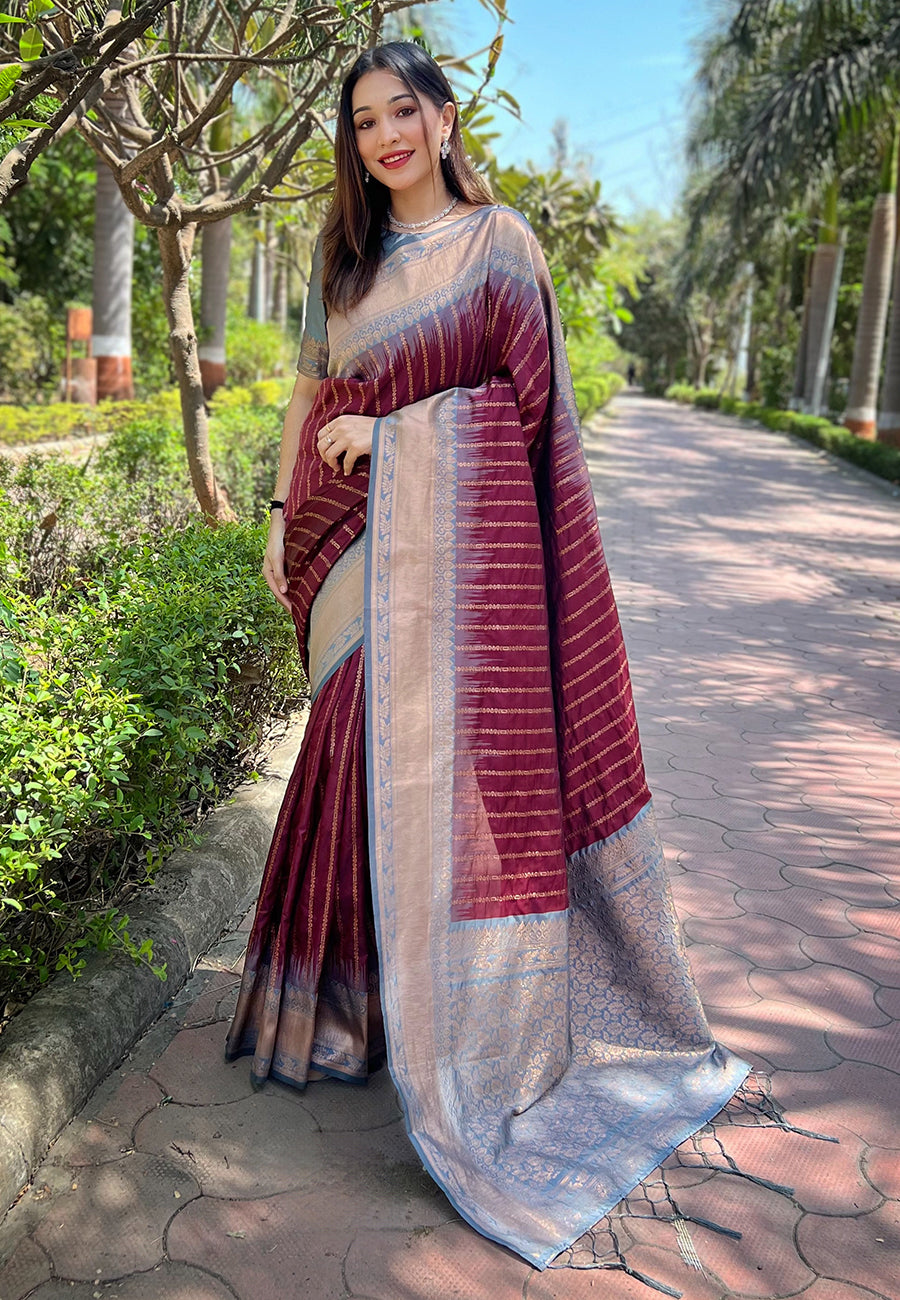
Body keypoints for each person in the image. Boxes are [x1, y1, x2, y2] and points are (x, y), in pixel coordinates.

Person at [225, 41, 749, 1271]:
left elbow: (526, 415)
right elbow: (310, 390)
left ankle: (438, 1032)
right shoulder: (344, 263)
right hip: (346, 542)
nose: (385, 137)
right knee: (348, 750)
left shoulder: (502, 246)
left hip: (460, 567)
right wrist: (271, 517)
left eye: (403, 110)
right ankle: (341, 1016)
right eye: (363, 122)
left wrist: (399, 433)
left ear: (447, 118)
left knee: (423, 774)